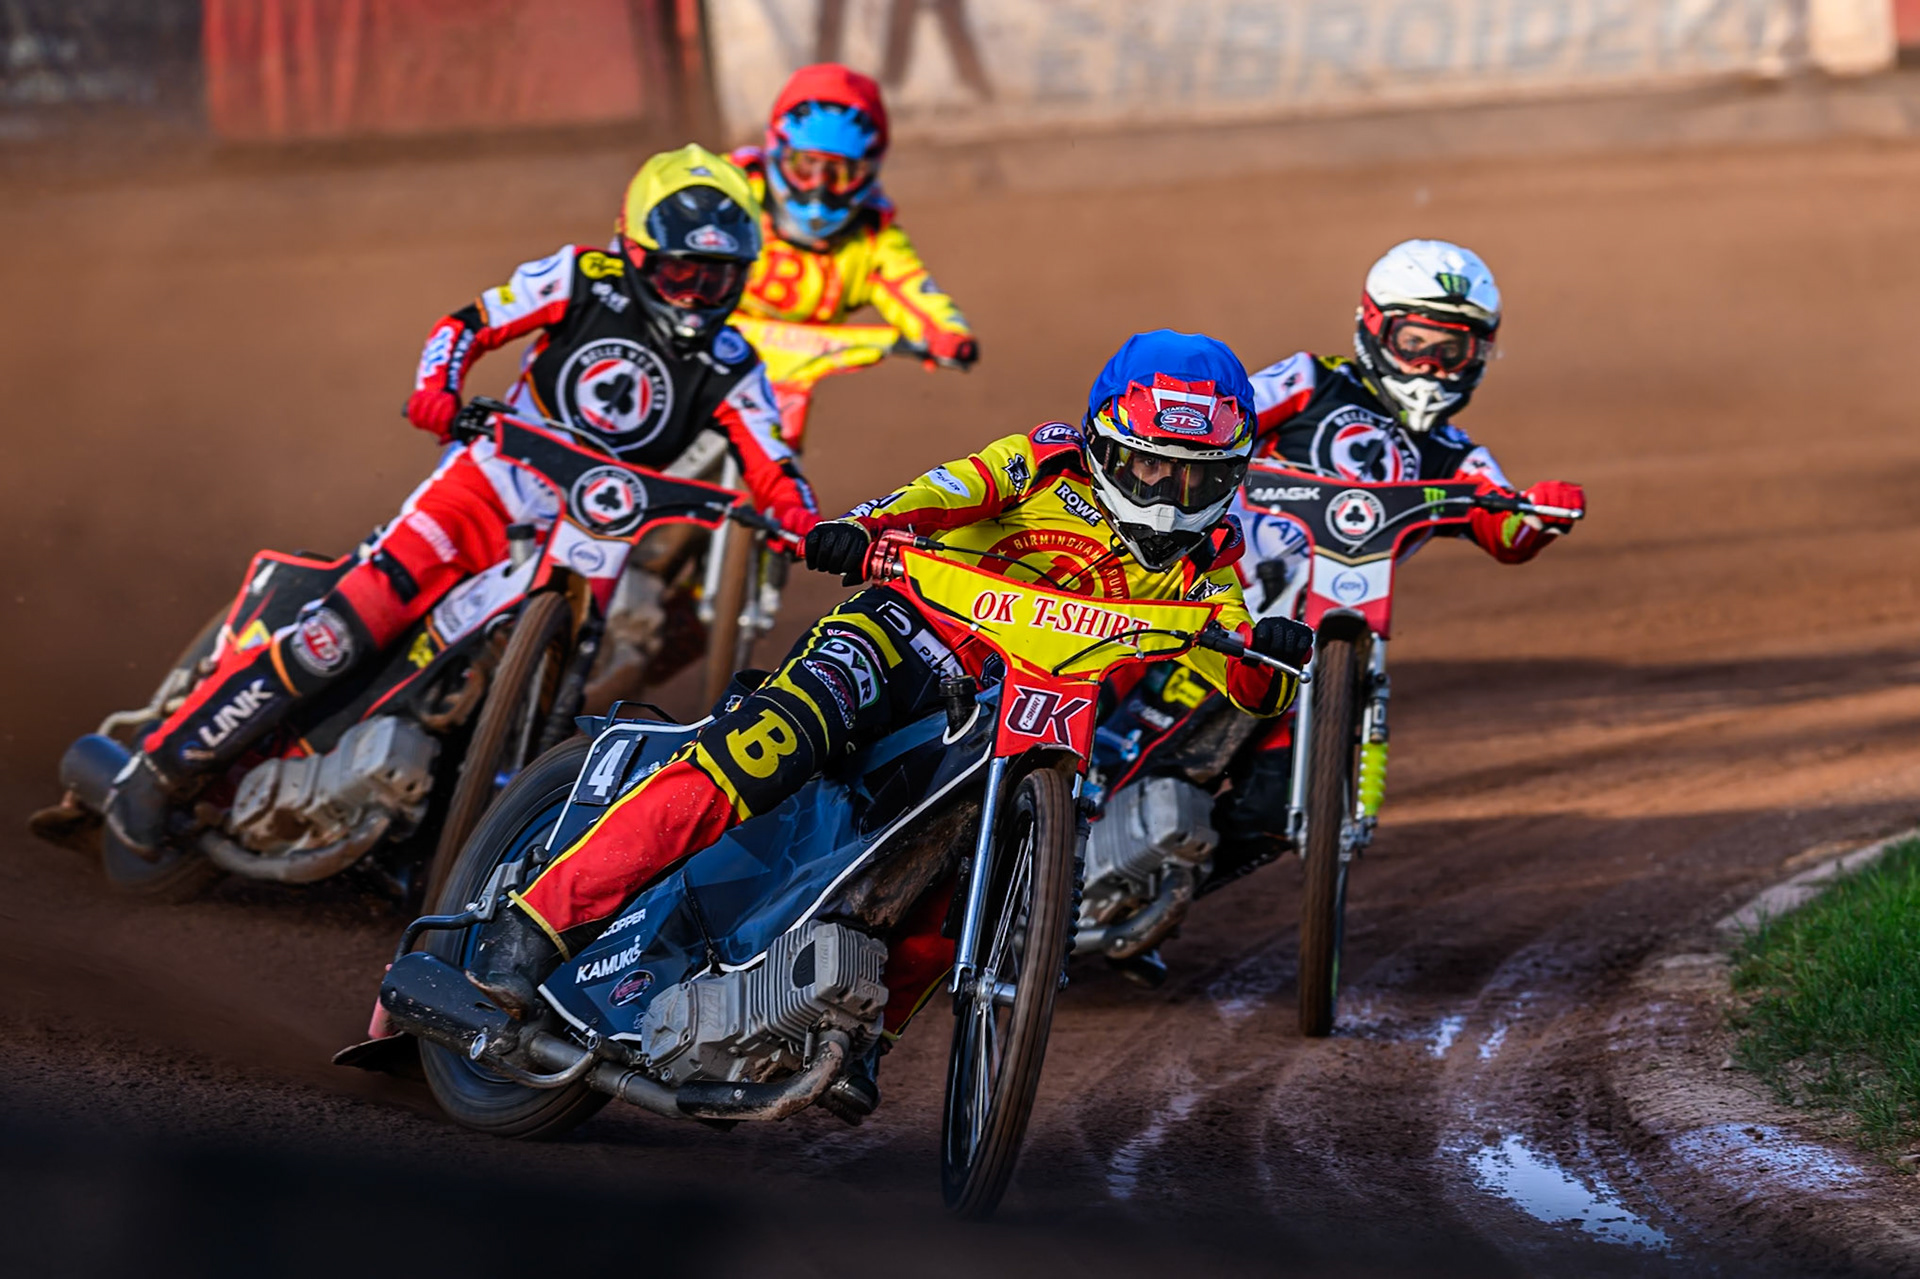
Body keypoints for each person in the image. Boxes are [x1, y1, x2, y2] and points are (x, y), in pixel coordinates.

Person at [460, 330, 1314, 1026]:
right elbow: (943, 492)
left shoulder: (1211, 559)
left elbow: (1242, 665)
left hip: (1008, 711)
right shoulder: (1038, 463)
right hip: (901, 633)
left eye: (1201, 475)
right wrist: (867, 526)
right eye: (1153, 464)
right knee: (767, 744)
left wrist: (1269, 661)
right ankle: (531, 925)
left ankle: (858, 1027)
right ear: (1100, 444)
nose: (1174, 493)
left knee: (978, 867)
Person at [106, 145, 820, 856]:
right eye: (679, 270)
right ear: (632, 250)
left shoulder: (735, 366)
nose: (696, 293)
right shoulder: (578, 277)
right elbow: (466, 325)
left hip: (594, 529)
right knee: (346, 631)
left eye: (717, 276)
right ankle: (164, 768)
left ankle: (462, 841)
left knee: (566, 692)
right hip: (487, 486)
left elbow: (773, 463)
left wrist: (801, 523)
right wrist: (437, 390)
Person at [1101, 240, 1584, 868]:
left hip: (1312, 657)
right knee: (1109, 750)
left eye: (1453, 350)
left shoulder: (1456, 453)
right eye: (1418, 343)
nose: (1433, 367)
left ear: (1480, 354)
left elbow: (1507, 532)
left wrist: (1542, 512)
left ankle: (1153, 894)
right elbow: (1218, 422)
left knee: (1275, 810)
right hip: (1205, 601)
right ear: (1376, 327)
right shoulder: (1309, 382)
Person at [729, 62, 977, 443]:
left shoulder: (873, 239)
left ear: (869, 172)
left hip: (783, 386)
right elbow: (658, 217)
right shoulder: (729, 191)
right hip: (690, 346)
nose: (819, 189)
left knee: (778, 480)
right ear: (776, 152)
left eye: (840, 173)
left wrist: (947, 333)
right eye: (805, 166)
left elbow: (912, 287)